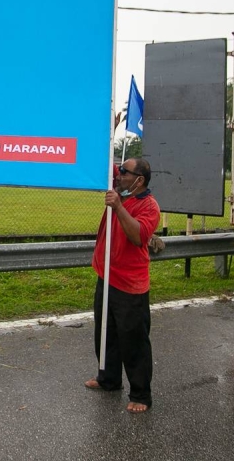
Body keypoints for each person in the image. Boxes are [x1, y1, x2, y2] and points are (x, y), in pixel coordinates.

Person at [85, 158, 161, 413]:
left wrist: (118, 206)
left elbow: (138, 236)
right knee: (106, 333)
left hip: (130, 284)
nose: (118, 176)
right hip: (106, 275)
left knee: (134, 340)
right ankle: (108, 379)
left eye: (124, 172)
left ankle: (141, 394)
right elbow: (104, 161)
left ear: (139, 179)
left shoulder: (149, 206)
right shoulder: (120, 191)